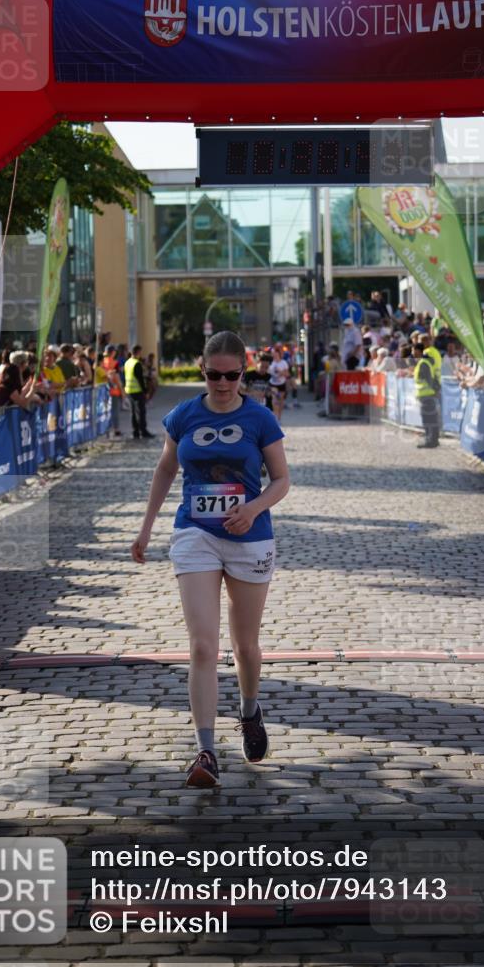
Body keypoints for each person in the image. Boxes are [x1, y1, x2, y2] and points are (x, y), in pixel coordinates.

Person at [131, 331, 289, 788]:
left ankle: (249, 710)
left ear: (244, 372)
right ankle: (205, 750)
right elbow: (165, 469)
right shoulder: (183, 415)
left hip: (250, 539)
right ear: (203, 371)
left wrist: (254, 508)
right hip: (195, 535)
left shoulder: (260, 419)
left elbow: (281, 480)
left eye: (231, 375)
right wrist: (145, 528)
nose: (222, 384)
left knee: (245, 647)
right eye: (213, 374)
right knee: (203, 645)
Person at [124, 345, 155, 439]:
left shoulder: (128, 362)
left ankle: (135, 431)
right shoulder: (136, 363)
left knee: (133, 412)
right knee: (141, 412)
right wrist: (145, 391)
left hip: (129, 390)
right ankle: (143, 431)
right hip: (137, 391)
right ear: (138, 352)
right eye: (140, 352)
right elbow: (140, 379)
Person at [413, 342, 440, 448]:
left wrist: (435, 390)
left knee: (428, 419)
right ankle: (432, 440)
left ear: (419, 351)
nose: (412, 353)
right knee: (431, 418)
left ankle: (431, 441)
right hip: (428, 395)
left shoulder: (423, 363)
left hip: (427, 395)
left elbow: (429, 379)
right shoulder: (425, 362)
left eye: (413, 350)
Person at [102, 345, 123, 437]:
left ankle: (106, 430)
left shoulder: (102, 362)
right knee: (114, 410)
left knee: (105, 411)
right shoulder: (115, 363)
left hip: (103, 390)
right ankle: (116, 429)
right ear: (113, 352)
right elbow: (117, 378)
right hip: (114, 390)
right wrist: (122, 391)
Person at [268, 344, 290, 422]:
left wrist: (281, 372)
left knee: (281, 401)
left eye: (276, 354)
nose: (275, 356)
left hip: (281, 384)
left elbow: (287, 374)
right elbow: (268, 372)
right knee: (274, 400)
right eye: (274, 354)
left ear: (279, 354)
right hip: (273, 383)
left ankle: (279, 418)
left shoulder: (283, 363)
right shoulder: (271, 362)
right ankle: (276, 417)